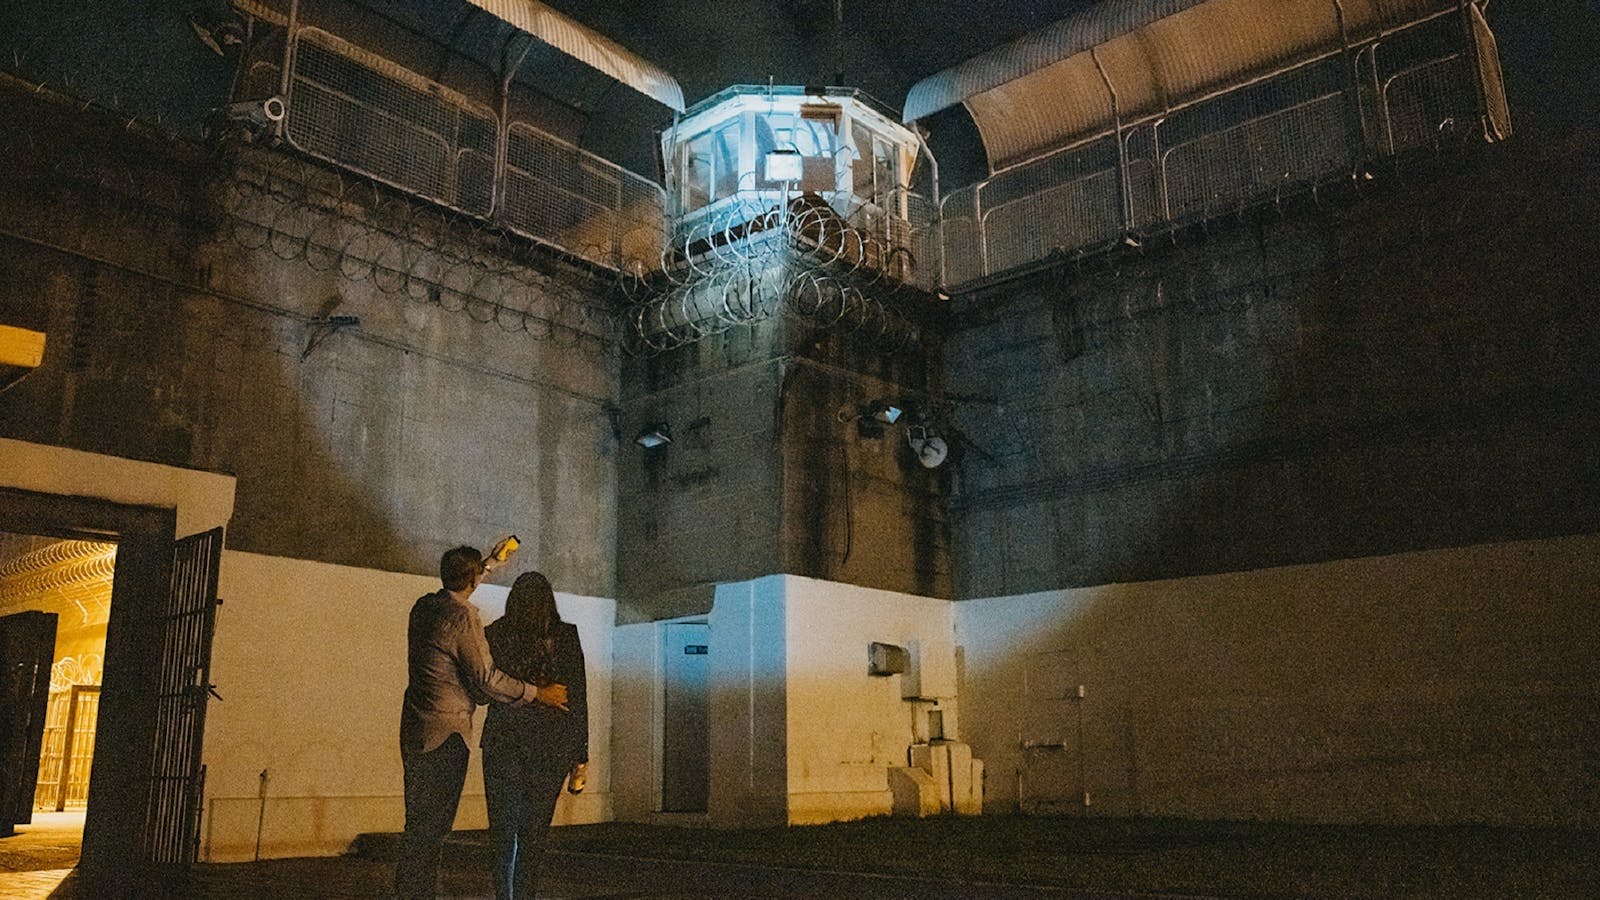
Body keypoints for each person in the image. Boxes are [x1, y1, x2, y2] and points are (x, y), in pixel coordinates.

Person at [396, 545, 568, 900]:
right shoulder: (464, 620)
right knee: (434, 827)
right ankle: (418, 894)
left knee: (417, 822)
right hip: (448, 734)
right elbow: (487, 678)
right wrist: (539, 693)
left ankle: (408, 891)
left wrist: (488, 564)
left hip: (415, 728)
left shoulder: (424, 607)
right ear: (472, 580)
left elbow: (459, 584)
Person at [481, 571, 590, 900]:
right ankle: (525, 894)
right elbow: (578, 698)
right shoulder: (566, 636)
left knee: (503, 832)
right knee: (534, 833)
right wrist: (580, 756)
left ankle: (505, 895)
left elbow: (486, 687)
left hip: (504, 742)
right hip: (551, 746)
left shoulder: (495, 634)